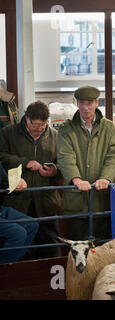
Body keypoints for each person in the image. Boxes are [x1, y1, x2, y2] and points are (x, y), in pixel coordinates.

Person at [57, 86, 115, 240]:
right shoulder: (66, 128)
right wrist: (76, 179)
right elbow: (65, 157)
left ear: (97, 103)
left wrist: (106, 178)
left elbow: (114, 156)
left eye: (90, 103)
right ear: (76, 103)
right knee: (77, 245)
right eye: (82, 103)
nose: (86, 108)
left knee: (101, 245)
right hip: (75, 199)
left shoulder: (109, 127)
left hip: (101, 197)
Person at [0, 101, 61, 258]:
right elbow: (1, 157)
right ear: (26, 118)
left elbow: (65, 163)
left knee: (51, 246)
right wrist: (24, 162)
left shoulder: (56, 136)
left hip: (46, 201)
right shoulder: (8, 133)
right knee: (22, 248)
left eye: (43, 124)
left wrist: (55, 171)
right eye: (35, 124)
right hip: (18, 201)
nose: (39, 128)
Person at [0, 161, 39, 264]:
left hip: (1, 209)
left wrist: (18, 183)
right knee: (18, 233)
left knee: (32, 224)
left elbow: (5, 183)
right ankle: (4, 268)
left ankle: (12, 264)